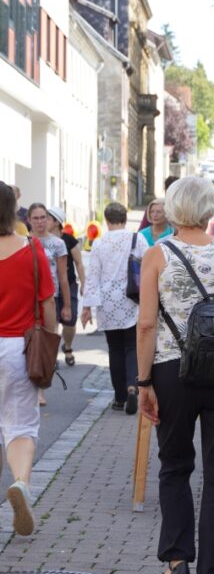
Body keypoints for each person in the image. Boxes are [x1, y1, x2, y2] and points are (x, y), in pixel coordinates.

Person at [135, 176, 214, 574]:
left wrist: (144, 381)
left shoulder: (157, 255)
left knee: (175, 466)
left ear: (170, 209)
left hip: (172, 372)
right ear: (208, 210)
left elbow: (147, 324)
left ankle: (177, 560)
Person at [0, 181, 55, 536]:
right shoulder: (33, 250)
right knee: (20, 428)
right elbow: (47, 304)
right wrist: (50, 345)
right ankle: (20, 482)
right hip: (17, 349)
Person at [80, 203, 148, 413]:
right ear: (125, 218)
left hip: (108, 303)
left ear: (107, 221)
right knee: (131, 347)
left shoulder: (99, 243)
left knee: (115, 349)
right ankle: (131, 386)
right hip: (132, 299)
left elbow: (93, 275)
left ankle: (119, 397)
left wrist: (87, 308)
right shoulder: (138, 239)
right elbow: (147, 268)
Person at [27, 203, 68, 407]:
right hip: (27, 299)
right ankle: (29, 387)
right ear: (29, 220)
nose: (40, 222)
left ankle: (41, 390)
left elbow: (63, 276)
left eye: (43, 217)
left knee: (46, 342)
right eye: (36, 218)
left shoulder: (58, 244)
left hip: (50, 298)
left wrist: (67, 304)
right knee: (28, 344)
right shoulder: (24, 242)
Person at [46, 206, 85, 368]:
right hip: (48, 287)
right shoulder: (40, 240)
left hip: (68, 286)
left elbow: (79, 263)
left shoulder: (69, 240)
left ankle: (67, 347)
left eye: (47, 218)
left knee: (69, 322)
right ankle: (53, 355)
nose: (43, 221)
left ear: (56, 222)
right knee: (52, 321)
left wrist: (84, 283)